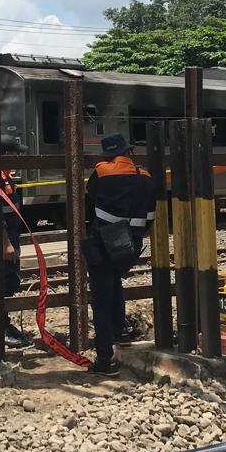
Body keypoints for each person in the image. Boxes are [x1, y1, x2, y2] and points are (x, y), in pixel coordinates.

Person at [83, 133, 156, 375]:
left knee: (100, 300)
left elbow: (90, 192)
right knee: (116, 285)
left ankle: (105, 359)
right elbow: (150, 218)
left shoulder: (103, 172)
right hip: (130, 247)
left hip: (103, 245)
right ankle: (120, 334)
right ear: (129, 151)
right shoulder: (145, 177)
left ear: (107, 155)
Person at [0, 137, 36, 350]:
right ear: (5, 155)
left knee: (10, 282)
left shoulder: (5, 176)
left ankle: (5, 324)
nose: (18, 158)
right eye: (15, 154)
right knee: (4, 283)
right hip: (5, 239)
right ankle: (1, 328)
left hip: (11, 236)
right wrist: (6, 244)